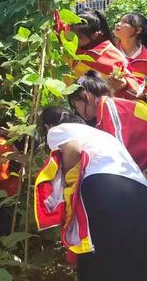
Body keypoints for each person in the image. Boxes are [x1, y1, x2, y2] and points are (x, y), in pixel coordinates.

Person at [37, 107, 147, 281]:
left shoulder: (58, 129)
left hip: (102, 185)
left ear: (46, 127)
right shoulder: (102, 135)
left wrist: (68, 184)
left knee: (97, 255)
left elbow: (72, 148)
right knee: (134, 257)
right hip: (139, 191)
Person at [67, 70, 147, 171]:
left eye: (75, 105)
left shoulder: (109, 106)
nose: (76, 111)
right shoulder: (104, 113)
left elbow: (117, 153)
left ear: (85, 95)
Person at [70, 9, 139, 98]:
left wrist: (124, 84)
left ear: (95, 35)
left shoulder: (112, 56)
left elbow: (134, 87)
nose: (72, 39)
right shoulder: (73, 47)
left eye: (78, 37)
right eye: (71, 34)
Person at [114, 12, 147, 91]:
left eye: (125, 22)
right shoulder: (109, 51)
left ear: (138, 30)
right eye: (119, 21)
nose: (118, 24)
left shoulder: (145, 59)